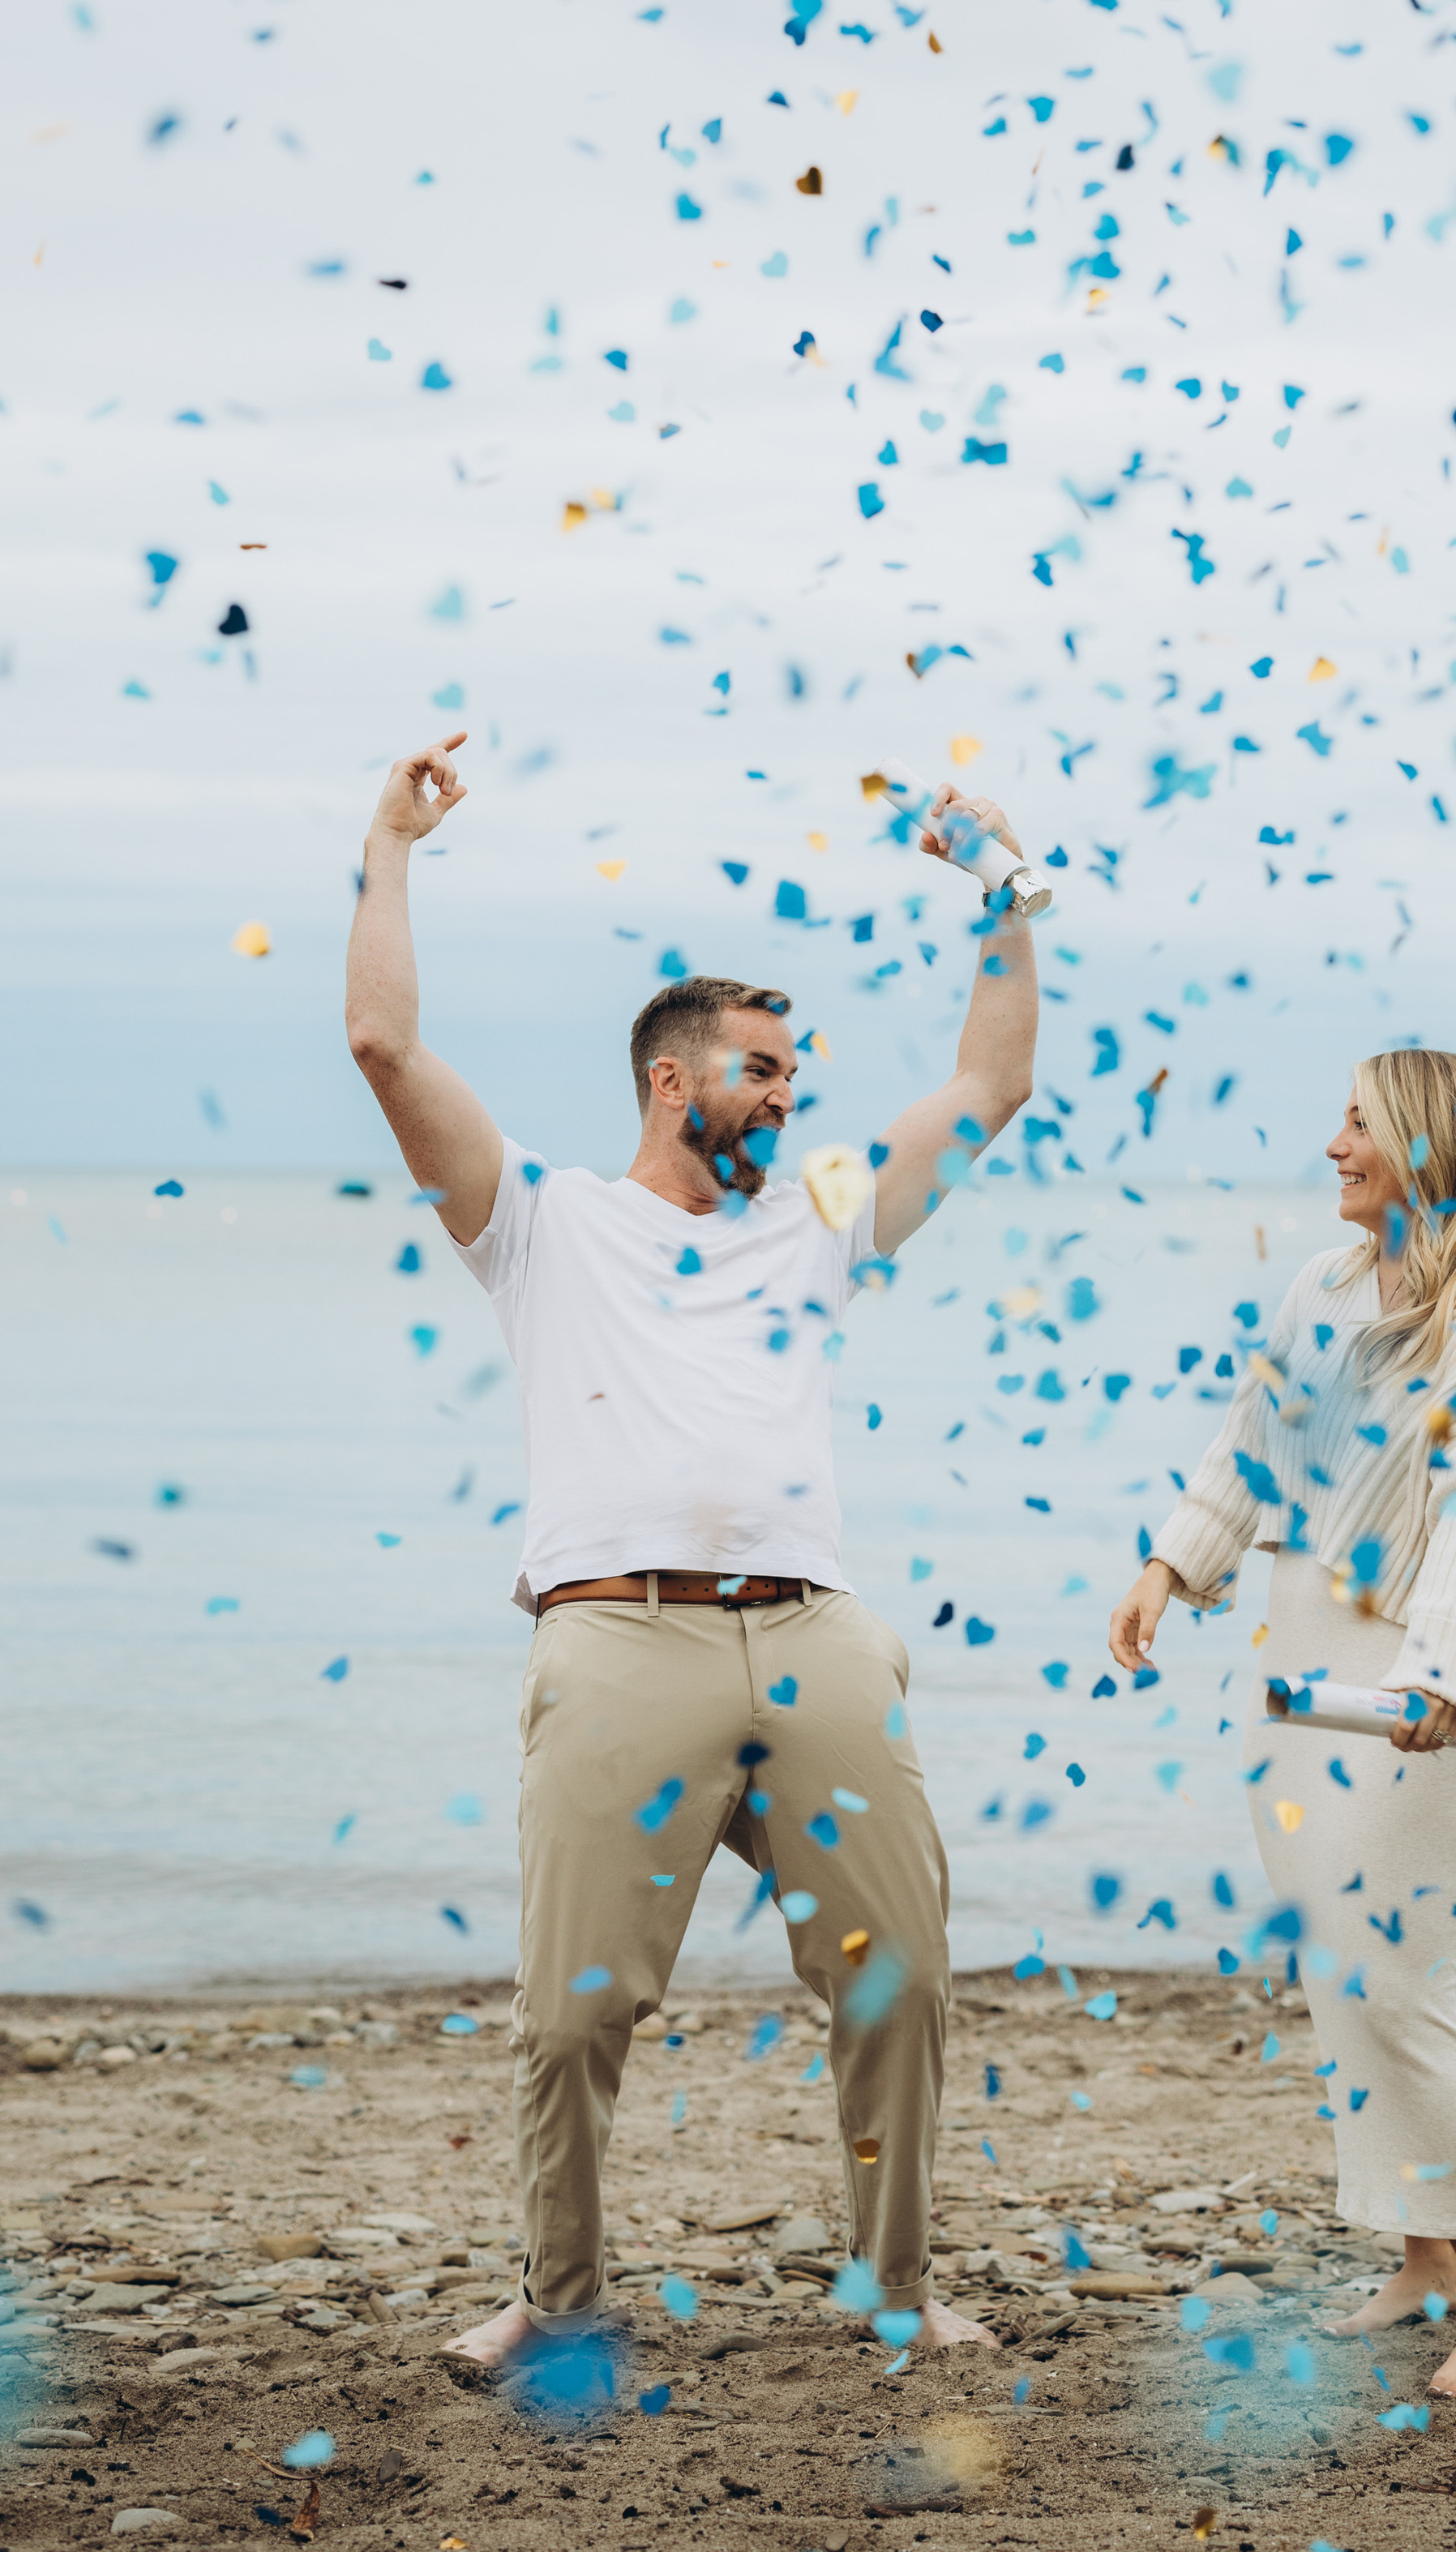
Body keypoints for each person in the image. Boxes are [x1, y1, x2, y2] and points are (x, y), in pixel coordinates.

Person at [344, 730, 1038, 2372]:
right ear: (675, 1081)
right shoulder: (543, 1219)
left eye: (793, 1073)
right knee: (575, 2010)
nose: (790, 1094)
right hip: (617, 1643)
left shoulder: (817, 1217)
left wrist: (1007, 882)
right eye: (763, 1068)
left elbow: (993, 1087)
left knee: (899, 1981)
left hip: (815, 1641)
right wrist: (392, 840)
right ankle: (558, 2296)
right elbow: (381, 1044)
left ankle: (887, 2286)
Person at [1107, 1050, 1456, 2400]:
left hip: (1407, 1675)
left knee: (1400, 1978)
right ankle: (1422, 2259)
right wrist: (1171, 1567)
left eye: (1358, 1123)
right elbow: (1251, 1443)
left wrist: (1445, 1670)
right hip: (1295, 1653)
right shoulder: (1321, 1285)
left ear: (1427, 1144)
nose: (1334, 1146)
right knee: (1336, 1972)